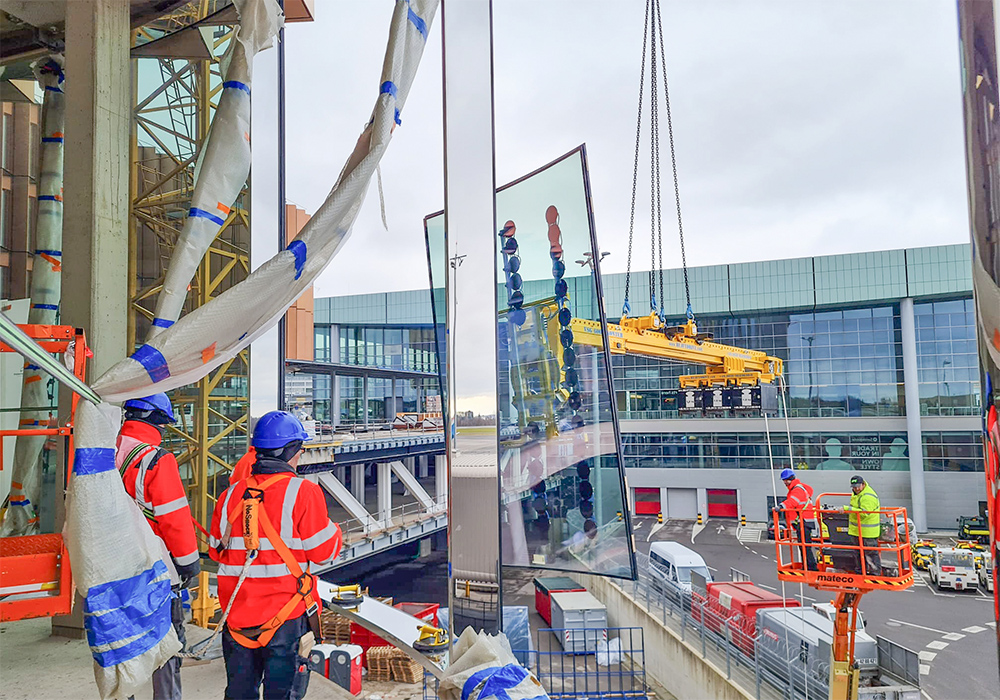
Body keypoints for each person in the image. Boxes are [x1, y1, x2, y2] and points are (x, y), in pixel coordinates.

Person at [210, 411, 343, 700]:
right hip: (285, 617)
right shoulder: (304, 492)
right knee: (282, 694)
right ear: (291, 451)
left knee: (239, 693)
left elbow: (216, 550)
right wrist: (335, 531)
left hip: (237, 618)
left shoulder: (229, 496)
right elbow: (324, 553)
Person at [116, 394, 200, 700]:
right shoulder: (155, 459)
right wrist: (188, 563)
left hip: (114, 568)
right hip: (155, 570)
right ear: (158, 421)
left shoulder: (104, 452)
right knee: (165, 647)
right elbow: (174, 519)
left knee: (120, 648)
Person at [776, 468, 818, 571]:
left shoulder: (797, 490)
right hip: (804, 521)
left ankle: (811, 567)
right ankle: (807, 566)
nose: (785, 483)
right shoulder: (798, 488)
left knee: (805, 546)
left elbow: (792, 502)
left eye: (786, 480)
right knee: (804, 546)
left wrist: (781, 506)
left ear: (790, 479)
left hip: (803, 521)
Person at [845, 474, 881, 575]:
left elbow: (864, 513)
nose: (856, 489)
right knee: (858, 553)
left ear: (863, 484)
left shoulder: (868, 496)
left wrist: (847, 509)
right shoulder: (857, 494)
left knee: (870, 554)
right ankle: (860, 572)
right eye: (854, 487)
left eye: (858, 486)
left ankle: (874, 574)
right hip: (858, 531)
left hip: (868, 532)